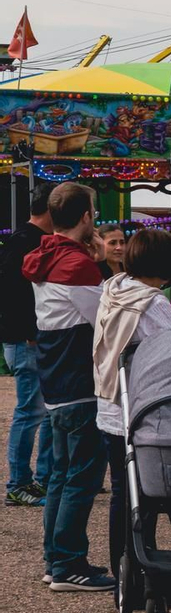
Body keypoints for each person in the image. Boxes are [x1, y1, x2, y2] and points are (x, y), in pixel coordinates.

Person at [24, 182, 111, 591]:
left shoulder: (47, 257)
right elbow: (107, 323)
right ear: (86, 217)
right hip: (80, 384)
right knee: (82, 478)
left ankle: (55, 559)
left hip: (55, 383)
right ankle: (70, 564)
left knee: (60, 475)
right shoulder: (77, 266)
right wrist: (106, 265)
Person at [90, 227, 171, 581]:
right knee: (144, 498)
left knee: (121, 492)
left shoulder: (112, 290)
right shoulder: (154, 304)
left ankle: (124, 572)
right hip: (142, 414)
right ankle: (144, 565)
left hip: (110, 406)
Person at [2, 185, 56, 507]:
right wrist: (28, 332)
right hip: (27, 340)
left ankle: (38, 480)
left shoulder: (23, 239)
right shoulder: (25, 241)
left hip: (27, 337)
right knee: (30, 412)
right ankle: (18, 483)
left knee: (43, 412)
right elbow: (10, 291)